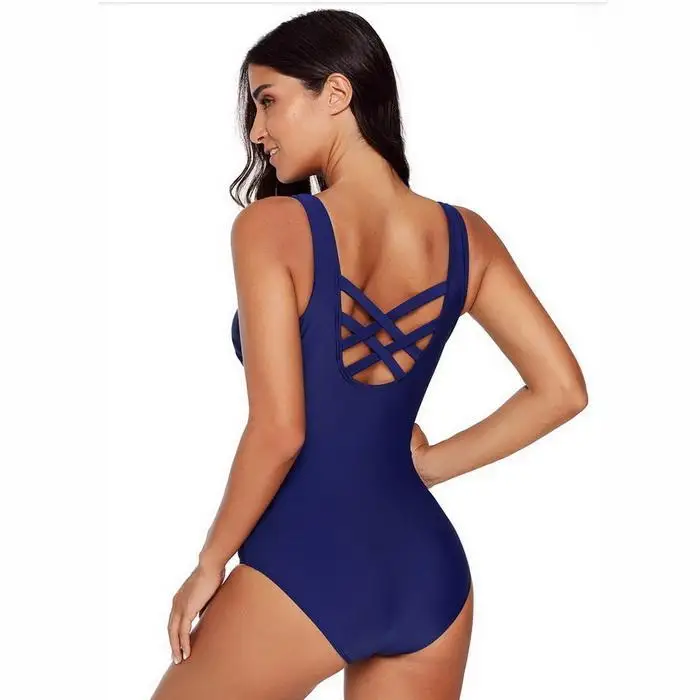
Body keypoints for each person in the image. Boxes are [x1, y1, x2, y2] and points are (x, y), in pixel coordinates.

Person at [150, 9, 588, 700]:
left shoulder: (272, 227)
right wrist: (428, 467)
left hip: (308, 561)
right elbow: (562, 390)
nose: (256, 131)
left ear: (336, 93)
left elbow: (280, 431)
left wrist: (211, 561)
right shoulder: (467, 237)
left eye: (268, 101)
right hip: (428, 579)